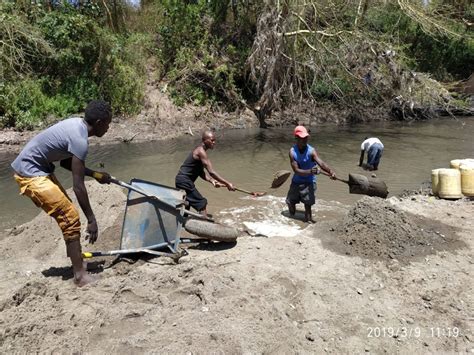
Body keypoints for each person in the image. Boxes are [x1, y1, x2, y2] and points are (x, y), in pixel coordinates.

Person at [11, 100, 113, 287]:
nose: (108, 127)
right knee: (70, 217)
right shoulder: (79, 139)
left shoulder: (77, 126)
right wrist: (91, 219)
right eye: (108, 123)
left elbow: (67, 163)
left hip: (40, 168)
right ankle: (80, 276)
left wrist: (96, 174)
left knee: (69, 215)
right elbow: (78, 187)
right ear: (99, 123)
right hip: (29, 172)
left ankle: (79, 264)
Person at [175, 130, 235, 217]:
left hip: (181, 180)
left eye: (214, 140)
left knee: (186, 204)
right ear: (204, 140)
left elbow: (200, 172)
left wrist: (212, 181)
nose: (214, 142)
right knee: (202, 203)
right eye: (212, 140)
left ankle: (183, 224)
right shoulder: (200, 152)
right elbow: (211, 172)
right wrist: (227, 183)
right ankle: (205, 224)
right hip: (184, 181)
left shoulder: (200, 151)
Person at [286, 125, 336, 223]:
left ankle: (308, 220)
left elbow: (321, 163)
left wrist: (330, 172)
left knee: (308, 204)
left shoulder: (311, 151)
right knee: (291, 205)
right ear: (296, 138)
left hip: (309, 182)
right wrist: (310, 171)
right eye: (302, 138)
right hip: (296, 181)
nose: (305, 140)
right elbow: (296, 170)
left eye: (306, 137)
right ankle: (292, 216)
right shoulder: (292, 152)